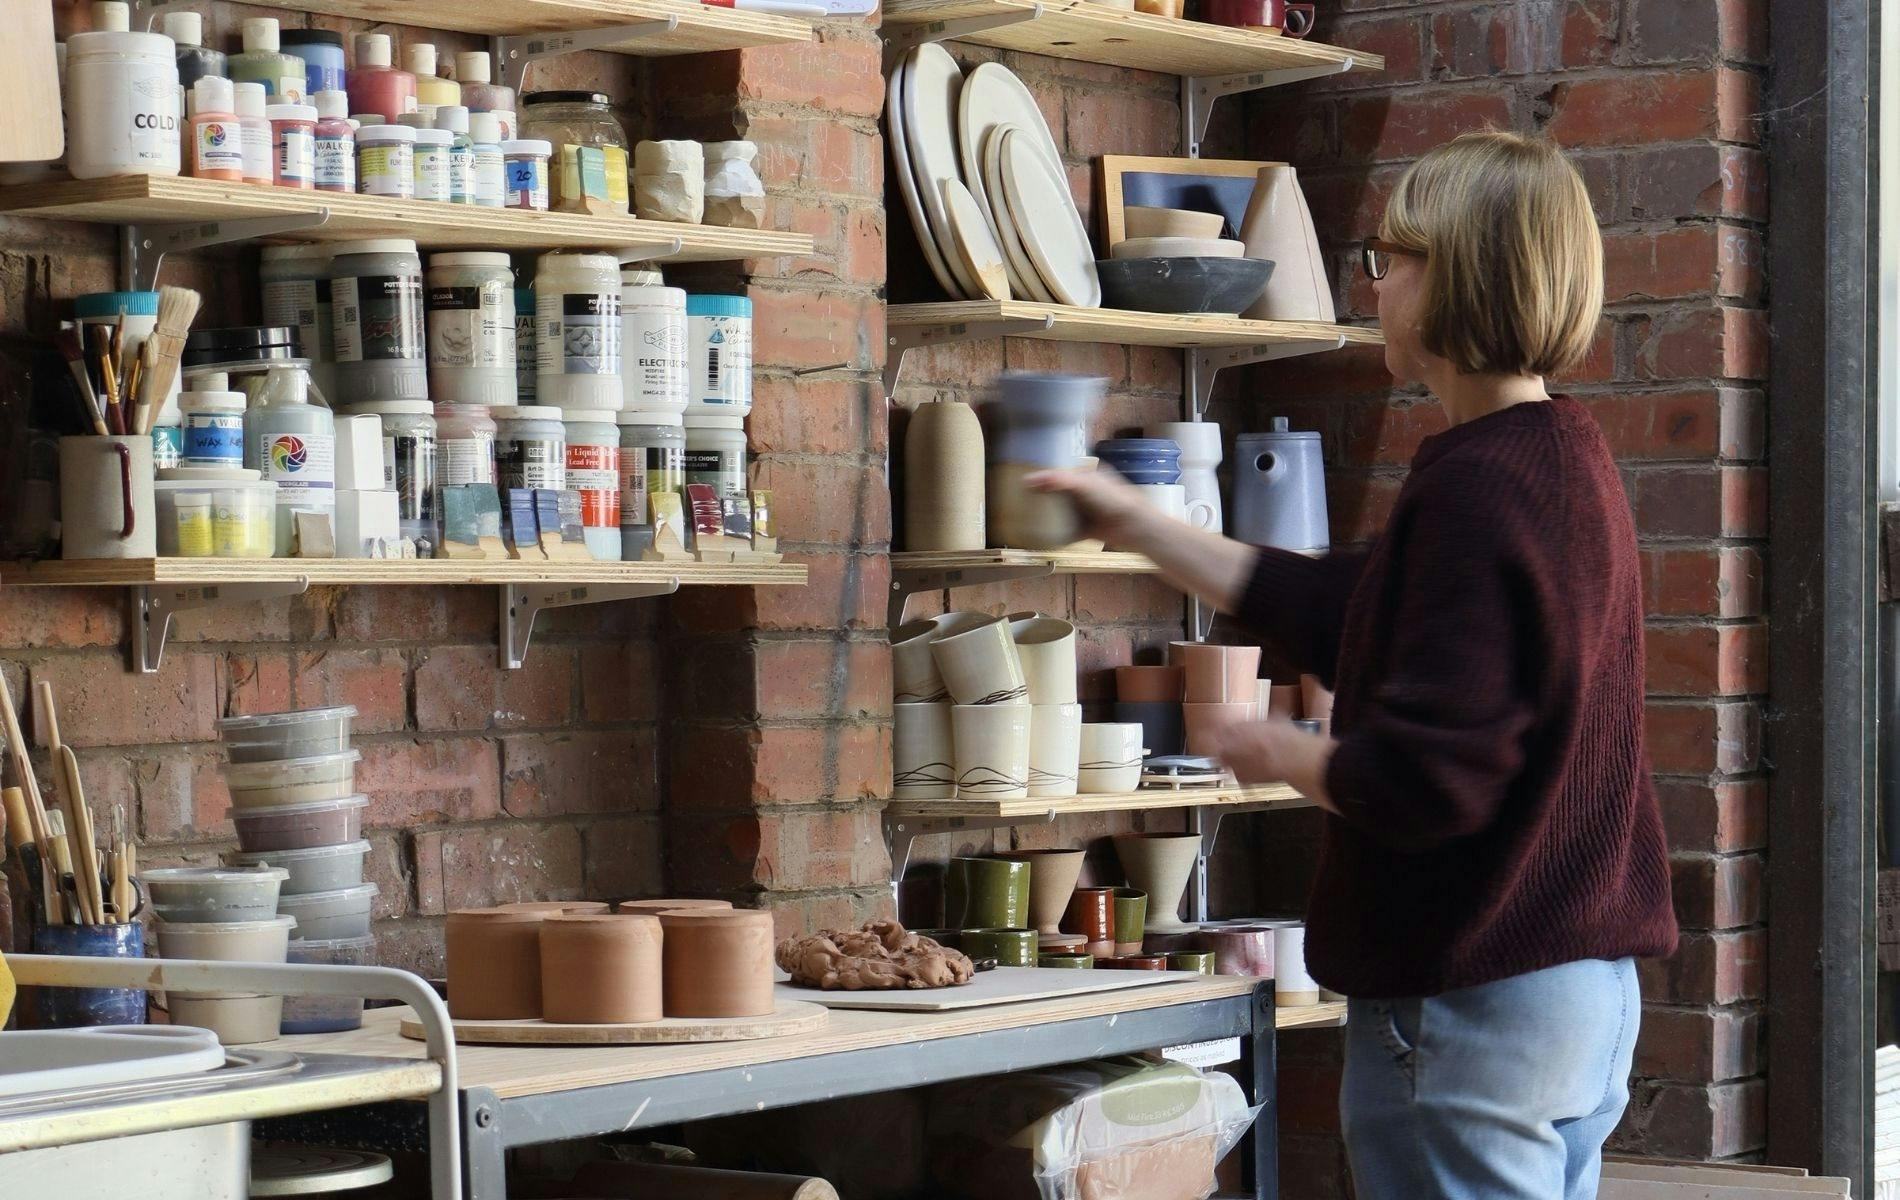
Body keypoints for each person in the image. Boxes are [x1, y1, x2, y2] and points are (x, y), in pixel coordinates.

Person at [1030, 131, 1677, 1199]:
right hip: (1573, 996)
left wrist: (1281, 750)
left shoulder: (1478, 488)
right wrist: (1139, 524)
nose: (1374, 286)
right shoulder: (1559, 455)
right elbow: (1354, 611)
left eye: (1391, 259)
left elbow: (1430, 779)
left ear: (1457, 278)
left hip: (1472, 999)